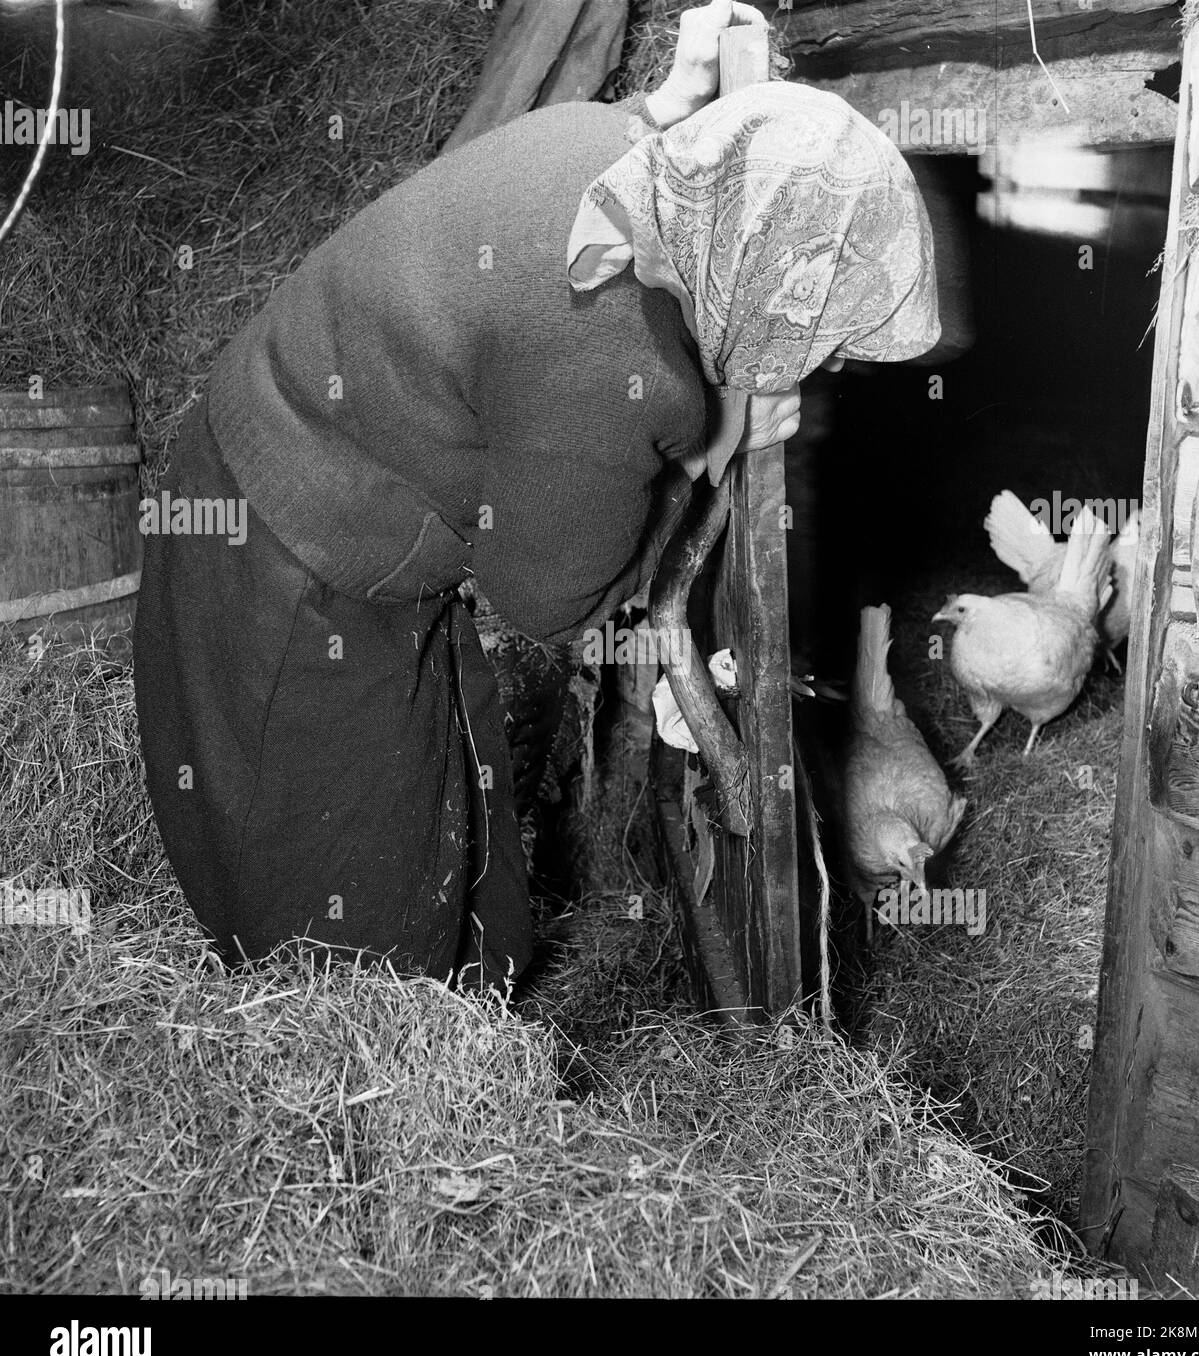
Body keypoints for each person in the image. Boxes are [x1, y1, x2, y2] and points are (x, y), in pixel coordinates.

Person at [133, 0, 940, 986]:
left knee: (447, 792)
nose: (817, 364)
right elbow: (543, 601)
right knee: (338, 887)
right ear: (758, 282)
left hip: (332, 443)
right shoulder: (622, 367)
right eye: (818, 333)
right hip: (291, 535)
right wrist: (712, 441)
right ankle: (357, 1073)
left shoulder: (614, 142)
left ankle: (469, 1012)